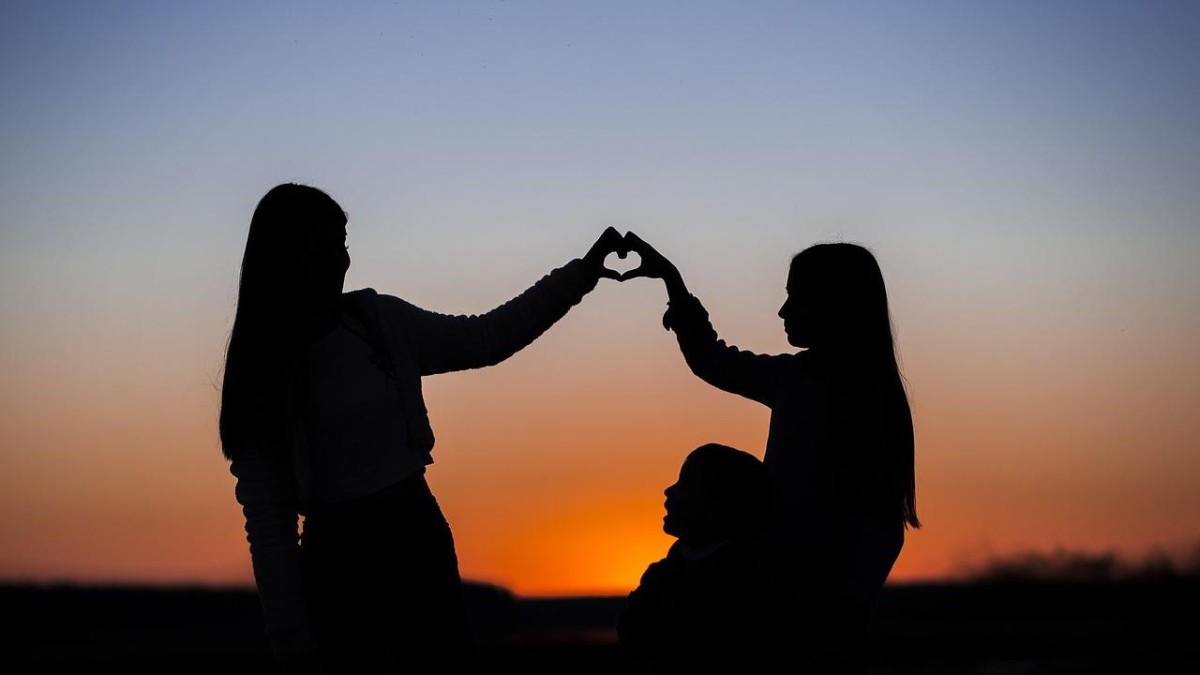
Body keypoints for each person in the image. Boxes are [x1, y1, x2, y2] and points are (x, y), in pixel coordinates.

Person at [218, 183, 627, 672]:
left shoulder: (380, 322)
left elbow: (485, 338)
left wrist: (581, 274)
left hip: (419, 539)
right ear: (283, 259)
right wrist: (291, 644)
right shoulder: (263, 375)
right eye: (322, 249)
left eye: (343, 245)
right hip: (340, 566)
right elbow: (269, 525)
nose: (341, 262)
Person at [621, 234, 921, 673]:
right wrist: (673, 283)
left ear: (836, 304)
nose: (783, 311)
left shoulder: (868, 401)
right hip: (765, 594)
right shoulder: (792, 377)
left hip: (811, 617)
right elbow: (712, 360)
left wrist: (849, 616)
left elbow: (881, 524)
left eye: (796, 297)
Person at [617, 443, 778, 674]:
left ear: (723, 506)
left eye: (686, 484)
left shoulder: (740, 579)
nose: (669, 491)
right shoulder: (661, 574)